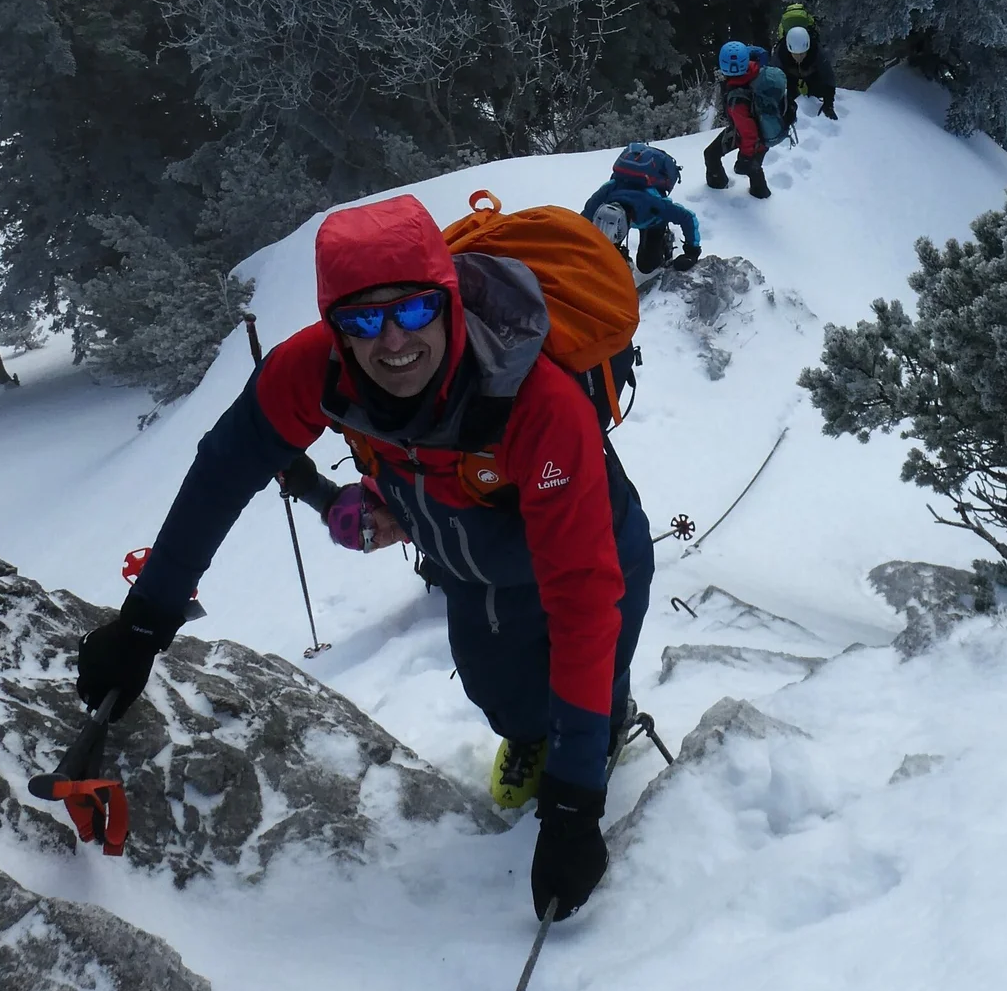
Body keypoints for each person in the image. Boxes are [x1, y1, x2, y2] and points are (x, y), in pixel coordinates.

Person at [74, 192, 654, 924]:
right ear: (335, 328)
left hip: (596, 555)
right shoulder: (314, 370)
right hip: (477, 576)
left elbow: (582, 593)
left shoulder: (536, 402)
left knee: (591, 681)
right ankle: (540, 733)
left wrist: (574, 804)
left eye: (411, 311)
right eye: (360, 320)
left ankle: (603, 729)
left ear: (447, 301)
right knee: (501, 698)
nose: (392, 342)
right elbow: (223, 471)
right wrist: (143, 624)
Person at [583, 144, 702, 274]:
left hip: (653, 221)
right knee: (608, 257)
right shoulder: (607, 192)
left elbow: (688, 217)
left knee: (647, 267)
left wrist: (692, 252)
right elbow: (581, 222)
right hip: (625, 220)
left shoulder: (654, 203)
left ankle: (665, 240)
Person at [704, 40, 787, 199]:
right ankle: (761, 195)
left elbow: (748, 133)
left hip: (753, 139)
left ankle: (716, 190)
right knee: (754, 169)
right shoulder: (756, 68)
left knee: (712, 154)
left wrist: (745, 157)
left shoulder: (737, 101)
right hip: (765, 130)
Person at [771, 3, 838, 120]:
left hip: (810, 73)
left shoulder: (816, 50)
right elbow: (774, 80)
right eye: (795, 54)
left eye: (802, 53)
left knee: (817, 91)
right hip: (790, 75)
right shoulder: (780, 53)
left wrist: (828, 104)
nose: (799, 57)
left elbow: (828, 77)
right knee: (791, 96)